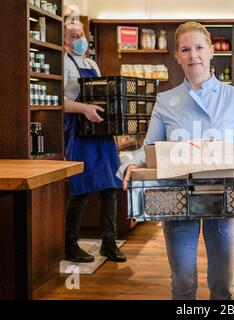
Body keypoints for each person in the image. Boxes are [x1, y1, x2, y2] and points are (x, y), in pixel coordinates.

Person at [118, 21, 234, 299]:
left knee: (223, 283)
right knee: (182, 280)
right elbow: (150, 149)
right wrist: (130, 163)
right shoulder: (165, 100)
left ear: (210, 51)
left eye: (198, 47)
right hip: (177, 194)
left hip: (227, 195)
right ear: (177, 56)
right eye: (185, 49)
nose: (192, 55)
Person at [64, 20, 126, 263]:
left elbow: (102, 96)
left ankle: (109, 244)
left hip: (100, 132)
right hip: (79, 133)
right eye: (73, 36)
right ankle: (70, 245)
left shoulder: (92, 64)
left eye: (81, 34)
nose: (79, 39)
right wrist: (84, 109)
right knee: (80, 189)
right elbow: (59, 103)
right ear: (64, 41)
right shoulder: (63, 64)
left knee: (110, 186)